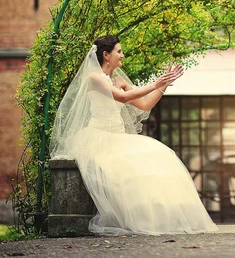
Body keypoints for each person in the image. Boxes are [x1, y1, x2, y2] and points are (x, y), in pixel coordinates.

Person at [50, 35, 218, 236]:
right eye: (119, 51)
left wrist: (164, 84)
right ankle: (131, 219)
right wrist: (155, 83)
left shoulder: (118, 80)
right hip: (99, 136)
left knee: (160, 155)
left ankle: (158, 218)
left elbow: (145, 104)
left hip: (119, 137)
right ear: (106, 55)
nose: (122, 55)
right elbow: (122, 97)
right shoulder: (94, 77)